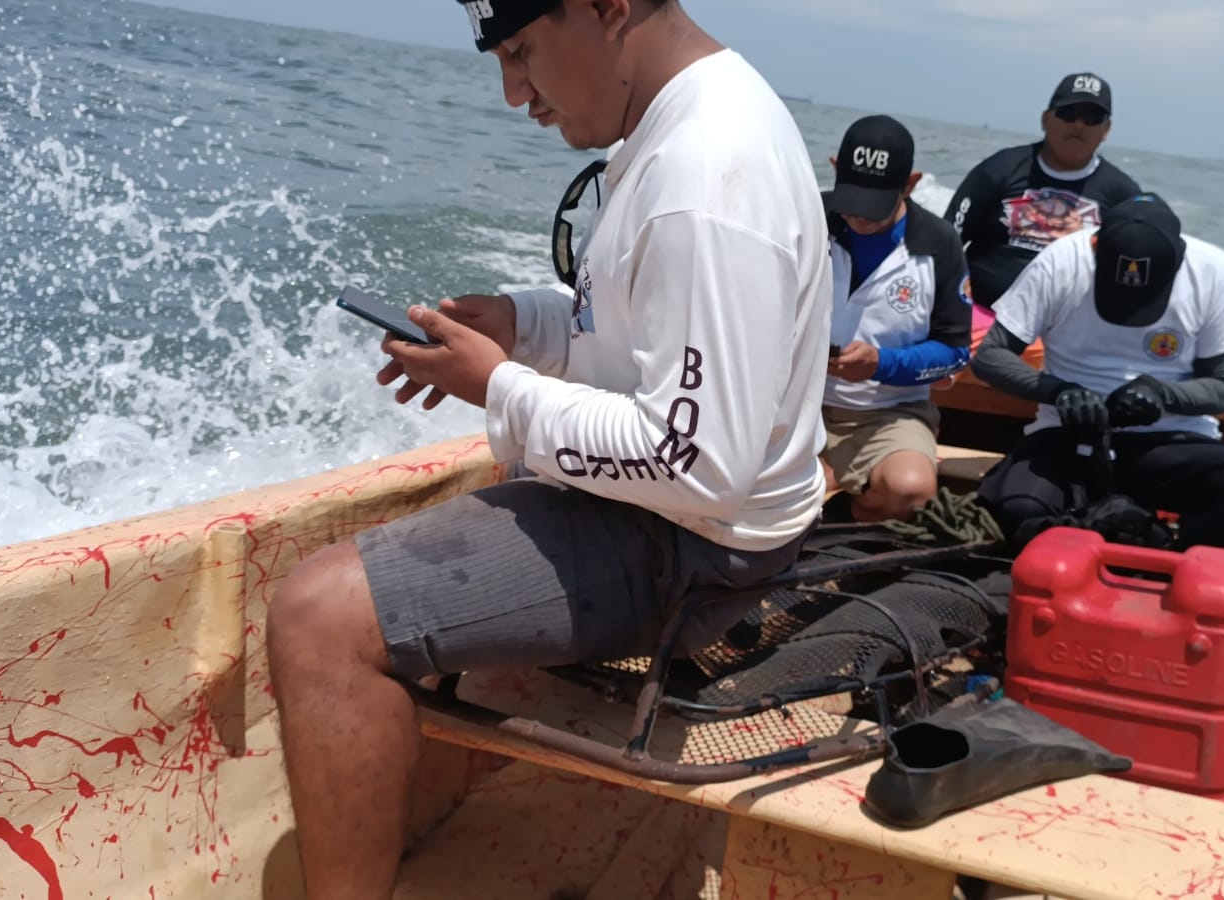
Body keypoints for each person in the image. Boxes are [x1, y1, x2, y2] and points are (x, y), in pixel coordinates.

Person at [264, 1, 833, 896]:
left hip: (694, 551)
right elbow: (646, 332)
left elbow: (697, 463)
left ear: (610, 8)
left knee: (319, 618)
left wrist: (497, 386)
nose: (513, 91)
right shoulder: (680, 120)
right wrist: (529, 324)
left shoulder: (706, 174)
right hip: (689, 521)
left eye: (523, 51)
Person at [972, 194, 1224, 553]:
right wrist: (1061, 393)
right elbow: (990, 356)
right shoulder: (1061, 261)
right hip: (1068, 435)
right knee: (1018, 509)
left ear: (1180, 258)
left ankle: (1163, 558)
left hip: (1167, 441)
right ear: (1094, 247)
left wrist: (1162, 395)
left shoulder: (1215, 272)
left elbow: (1222, 389)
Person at [820, 115, 973, 522]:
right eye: (851, 202)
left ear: (911, 183)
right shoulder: (805, 217)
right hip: (795, 402)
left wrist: (882, 365)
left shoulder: (940, 244)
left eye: (875, 207)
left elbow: (956, 352)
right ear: (835, 168)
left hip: (888, 411)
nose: (860, 218)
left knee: (910, 489)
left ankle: (840, 527)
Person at [943, 72, 1144, 367]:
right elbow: (947, 238)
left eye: (1092, 117)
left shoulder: (1122, 195)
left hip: (1071, 333)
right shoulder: (1000, 169)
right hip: (983, 317)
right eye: (1068, 113)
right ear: (1045, 119)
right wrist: (955, 284)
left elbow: (1139, 275)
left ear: (1107, 129)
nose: (1078, 124)